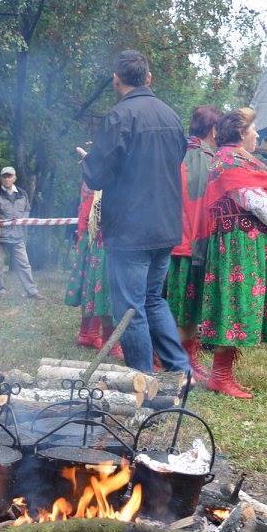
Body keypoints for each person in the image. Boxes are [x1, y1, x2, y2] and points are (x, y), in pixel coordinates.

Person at [80, 49, 189, 376]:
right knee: (154, 300)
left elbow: (97, 175)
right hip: (166, 226)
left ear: (116, 80)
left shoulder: (119, 117)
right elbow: (175, 161)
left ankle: (142, 377)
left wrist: (86, 161)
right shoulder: (171, 116)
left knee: (131, 307)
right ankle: (181, 370)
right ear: (149, 78)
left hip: (131, 230)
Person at [195, 108, 267, 398]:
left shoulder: (230, 159)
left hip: (242, 242)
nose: (257, 135)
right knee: (235, 303)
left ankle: (224, 373)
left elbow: (252, 200)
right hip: (239, 246)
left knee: (237, 302)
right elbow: (253, 200)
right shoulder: (232, 161)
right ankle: (220, 376)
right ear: (241, 132)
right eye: (254, 129)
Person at [165, 105, 222, 379]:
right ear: (213, 130)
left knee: (180, 307)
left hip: (175, 242)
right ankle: (180, 362)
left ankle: (181, 358)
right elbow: (200, 207)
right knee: (186, 310)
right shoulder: (205, 159)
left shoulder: (180, 153)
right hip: (192, 245)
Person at [0, 166, 43, 299]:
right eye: (4, 176)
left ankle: (32, 291)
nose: (7, 178)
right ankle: (0, 292)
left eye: (10, 176)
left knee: (24, 265)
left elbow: (27, 210)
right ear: (1, 178)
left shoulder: (22, 193)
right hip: (0, 237)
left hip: (18, 237)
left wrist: (23, 220)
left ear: (15, 178)